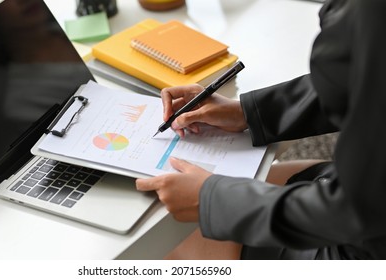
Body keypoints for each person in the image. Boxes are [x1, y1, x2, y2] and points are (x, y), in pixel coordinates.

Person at [135, 0, 386, 259]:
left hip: (360, 241)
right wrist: (249, 112)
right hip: (355, 188)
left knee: (172, 245)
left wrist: (214, 201)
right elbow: (368, 81)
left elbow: (359, 209)